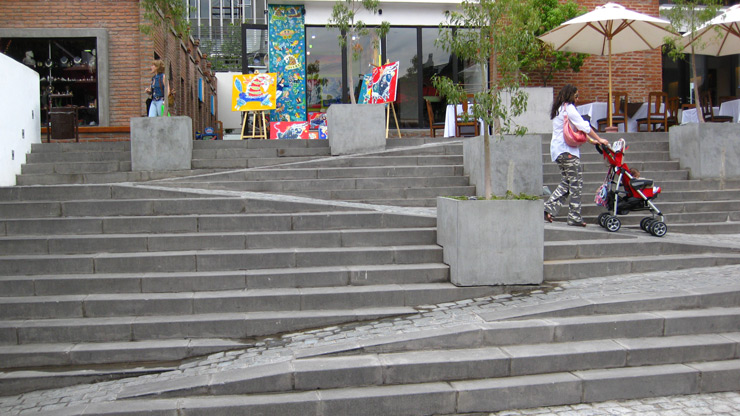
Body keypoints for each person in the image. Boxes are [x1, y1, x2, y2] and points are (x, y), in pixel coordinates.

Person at [544, 84, 609, 227]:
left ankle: (548, 208)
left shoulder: (560, 109)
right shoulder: (569, 109)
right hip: (567, 152)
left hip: (558, 151)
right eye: (576, 96)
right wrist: (599, 139)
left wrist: (591, 141)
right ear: (570, 95)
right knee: (576, 184)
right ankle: (574, 216)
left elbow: (573, 129)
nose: (578, 99)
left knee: (567, 183)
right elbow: (584, 126)